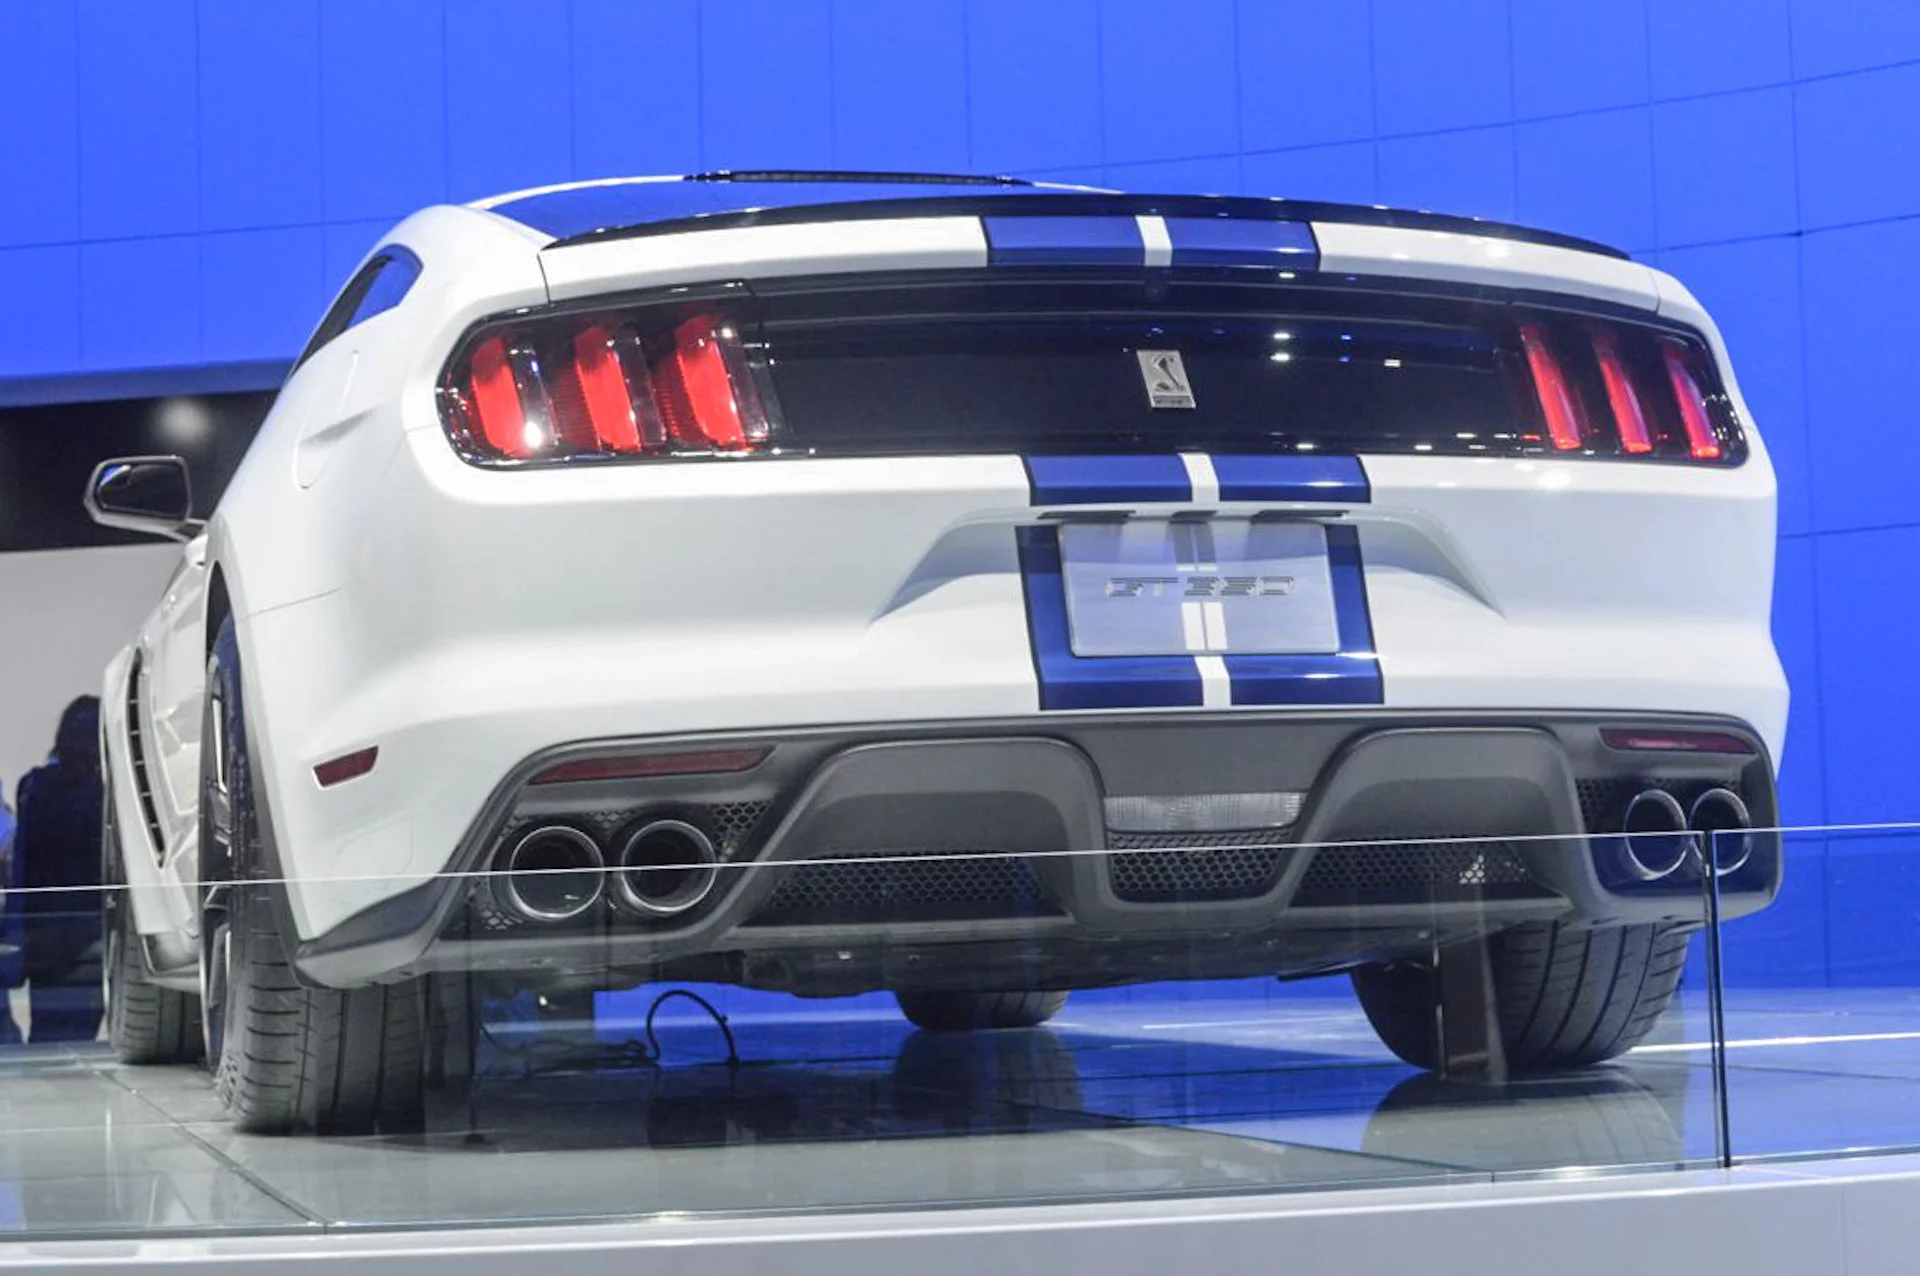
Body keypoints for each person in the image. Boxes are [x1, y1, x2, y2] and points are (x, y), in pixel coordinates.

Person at [12, 697, 106, 1043]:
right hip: (92, 934)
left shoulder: (34, 787)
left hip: (42, 935)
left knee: (46, 1032)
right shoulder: (104, 793)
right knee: (81, 1035)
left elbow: (23, 867)